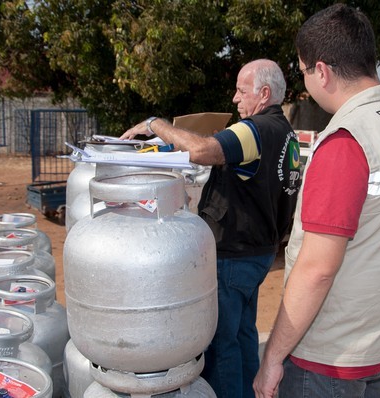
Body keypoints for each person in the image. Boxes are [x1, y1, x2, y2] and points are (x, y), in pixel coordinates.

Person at [253, 4, 380, 398]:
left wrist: (272, 358)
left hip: (327, 358)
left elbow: (317, 270)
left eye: (304, 72)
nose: (306, 83)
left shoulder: (347, 142)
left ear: (321, 71)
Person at [121, 58, 302, 397]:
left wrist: (155, 123)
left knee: (220, 346)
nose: (235, 99)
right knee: (244, 335)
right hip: (260, 254)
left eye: (241, 90)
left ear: (264, 94)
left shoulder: (255, 129)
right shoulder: (286, 133)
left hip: (232, 256)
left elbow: (203, 151)